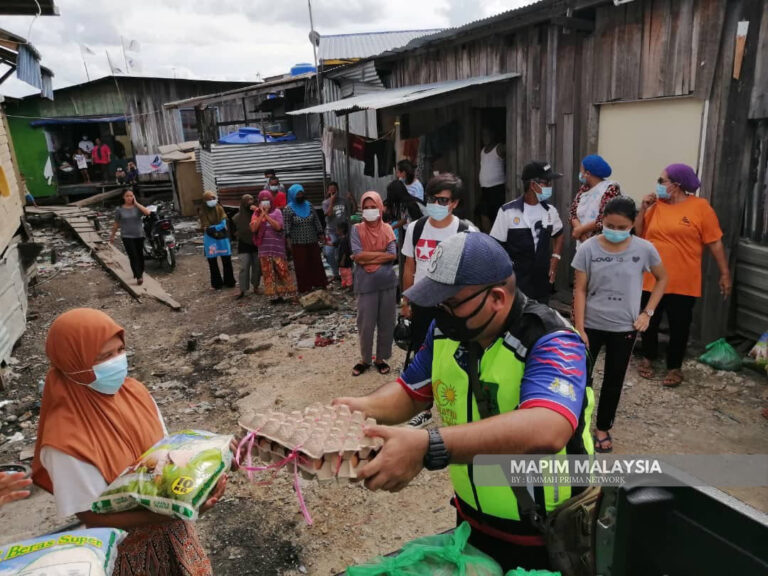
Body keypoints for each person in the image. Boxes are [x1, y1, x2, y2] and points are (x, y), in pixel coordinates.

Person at [333, 232, 592, 572]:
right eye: (437, 303)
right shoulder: (448, 331)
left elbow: (546, 428)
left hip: (547, 536)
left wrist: (428, 446)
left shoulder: (552, 340)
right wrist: (358, 410)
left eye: (451, 303)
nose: (442, 313)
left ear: (497, 297)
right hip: (472, 523)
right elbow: (410, 392)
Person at [31, 308, 223, 575]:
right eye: (104, 356)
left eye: (120, 350)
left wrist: (213, 466)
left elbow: (166, 455)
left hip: (178, 537)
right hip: (129, 556)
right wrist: (174, 512)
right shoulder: (64, 439)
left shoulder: (135, 392)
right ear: (74, 362)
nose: (118, 361)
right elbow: (92, 517)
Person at [572, 197, 668, 453]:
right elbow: (579, 290)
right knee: (581, 379)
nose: (615, 231)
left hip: (624, 328)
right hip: (590, 326)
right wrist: (579, 328)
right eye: (610, 225)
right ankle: (575, 426)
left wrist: (647, 313)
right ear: (602, 220)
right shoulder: (588, 249)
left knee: (614, 381)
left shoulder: (644, 249)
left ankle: (603, 427)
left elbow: (662, 279)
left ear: (632, 224)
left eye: (621, 227)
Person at [634, 163, 732, 387]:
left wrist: (725, 273)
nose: (658, 185)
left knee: (680, 325)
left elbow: (715, 243)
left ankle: (674, 367)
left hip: (683, 281)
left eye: (662, 181)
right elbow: (640, 234)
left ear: (676, 185)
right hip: (652, 278)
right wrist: (643, 209)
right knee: (648, 319)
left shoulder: (700, 208)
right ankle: (648, 357)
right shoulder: (656, 206)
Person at [401, 173, 476, 428]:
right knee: (422, 354)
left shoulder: (467, 230)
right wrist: (406, 300)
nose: (437, 204)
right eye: (433, 199)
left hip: (453, 306)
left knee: (457, 355)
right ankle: (424, 408)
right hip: (423, 303)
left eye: (443, 200)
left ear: (454, 203)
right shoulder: (416, 228)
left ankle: (460, 405)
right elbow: (409, 265)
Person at [490, 161, 564, 303]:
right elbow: (494, 247)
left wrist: (555, 259)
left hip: (541, 282)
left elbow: (559, 235)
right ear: (532, 185)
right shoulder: (508, 212)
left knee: (540, 318)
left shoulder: (550, 211)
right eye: (546, 182)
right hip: (516, 282)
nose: (550, 187)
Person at [350, 191, 398, 376]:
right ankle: (365, 359)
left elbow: (392, 254)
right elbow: (357, 255)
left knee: (386, 322)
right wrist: (379, 256)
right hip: (365, 284)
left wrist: (364, 257)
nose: (370, 211)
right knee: (366, 323)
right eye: (367, 208)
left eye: (373, 207)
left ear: (380, 208)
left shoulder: (387, 229)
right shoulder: (357, 229)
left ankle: (381, 358)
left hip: (387, 283)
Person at [251, 190, 296, 303]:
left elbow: (278, 227)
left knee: (282, 270)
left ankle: (288, 294)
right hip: (264, 249)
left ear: (271, 200)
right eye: (263, 200)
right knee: (268, 273)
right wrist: (261, 214)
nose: (265, 202)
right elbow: (253, 229)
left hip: (277, 248)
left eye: (267, 200)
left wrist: (266, 215)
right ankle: (274, 297)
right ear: (259, 201)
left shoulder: (277, 212)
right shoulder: (256, 213)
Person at [569, 154, 621, 247]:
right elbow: (573, 213)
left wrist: (581, 230)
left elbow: (605, 218)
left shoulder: (610, 189)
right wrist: (580, 232)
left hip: (602, 245)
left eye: (581, 170)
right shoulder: (583, 189)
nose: (580, 173)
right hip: (582, 243)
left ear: (588, 174)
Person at [284, 184, 327, 293]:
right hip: (298, 242)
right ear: (293, 195)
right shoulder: (288, 209)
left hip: (312, 239)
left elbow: (316, 220)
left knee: (316, 262)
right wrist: (288, 242)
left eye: (301, 193)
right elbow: (287, 227)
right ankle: (305, 287)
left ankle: (319, 283)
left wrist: (321, 234)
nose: (300, 196)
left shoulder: (309, 205)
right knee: (301, 265)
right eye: (298, 194)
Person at [109, 189, 151, 285]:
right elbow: (116, 224)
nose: (129, 198)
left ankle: (140, 272)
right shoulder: (120, 210)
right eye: (127, 196)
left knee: (140, 255)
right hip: (127, 236)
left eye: (131, 196)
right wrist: (112, 236)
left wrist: (136, 203)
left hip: (139, 235)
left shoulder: (137, 208)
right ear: (123, 197)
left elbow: (147, 213)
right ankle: (138, 276)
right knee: (133, 255)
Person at [199, 191, 236, 290]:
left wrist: (213, 228)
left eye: (213, 198)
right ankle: (217, 283)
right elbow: (205, 226)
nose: (212, 201)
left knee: (226, 260)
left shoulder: (219, 208)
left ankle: (229, 281)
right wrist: (216, 227)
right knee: (212, 262)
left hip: (222, 238)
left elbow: (223, 223)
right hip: (210, 239)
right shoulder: (203, 211)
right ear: (205, 200)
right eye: (209, 199)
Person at [322, 181, 357, 282]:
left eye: (335, 191)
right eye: (331, 191)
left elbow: (353, 211)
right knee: (329, 252)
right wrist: (332, 201)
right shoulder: (325, 202)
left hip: (343, 232)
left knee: (345, 252)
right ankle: (335, 273)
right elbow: (328, 214)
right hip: (331, 231)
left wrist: (352, 199)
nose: (334, 193)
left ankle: (346, 274)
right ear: (328, 191)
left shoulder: (343, 201)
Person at [478, 126, 506, 232]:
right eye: (483, 135)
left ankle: (497, 239)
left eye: (487, 135)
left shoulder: (498, 148)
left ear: (493, 135)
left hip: (497, 188)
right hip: (485, 189)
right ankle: (489, 237)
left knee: (497, 215)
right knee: (483, 213)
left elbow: (510, 149)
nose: (484, 137)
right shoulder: (483, 151)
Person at [234, 194, 261, 299]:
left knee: (257, 267)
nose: (250, 202)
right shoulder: (236, 217)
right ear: (242, 202)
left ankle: (256, 286)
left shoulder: (257, 214)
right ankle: (242, 289)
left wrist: (257, 210)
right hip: (244, 245)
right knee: (244, 267)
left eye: (251, 199)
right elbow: (233, 231)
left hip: (256, 244)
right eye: (247, 200)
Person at [337, 221, 353, 290]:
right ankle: (344, 284)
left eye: (337, 229)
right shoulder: (341, 239)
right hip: (341, 261)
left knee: (347, 274)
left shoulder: (344, 240)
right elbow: (335, 244)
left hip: (345, 261)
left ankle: (350, 286)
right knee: (343, 274)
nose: (336, 231)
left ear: (342, 230)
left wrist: (343, 260)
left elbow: (345, 252)